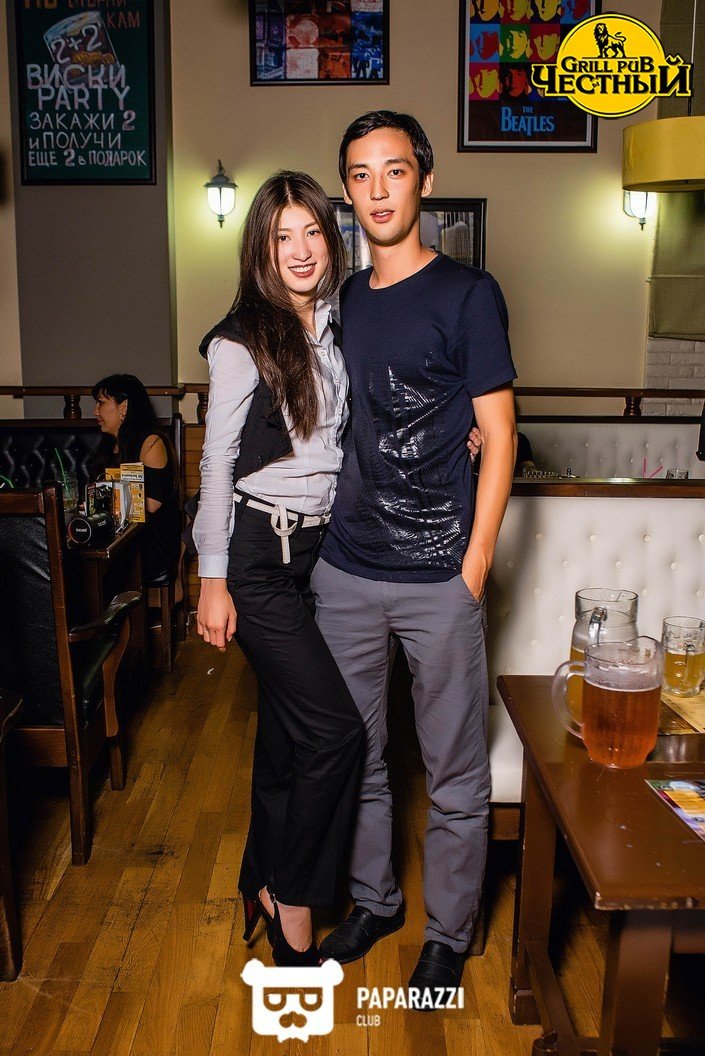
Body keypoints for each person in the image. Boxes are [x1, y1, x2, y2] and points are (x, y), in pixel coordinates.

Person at [310, 111, 517, 1004]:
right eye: (360, 175)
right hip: (346, 569)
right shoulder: (339, 301)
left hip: (439, 575)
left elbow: (500, 435)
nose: (378, 189)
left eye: (394, 170)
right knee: (357, 756)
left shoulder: (469, 294)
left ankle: (448, 933)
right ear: (346, 192)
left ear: (424, 181)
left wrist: (474, 563)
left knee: (454, 772)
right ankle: (375, 901)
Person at [191, 171, 366, 968]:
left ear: (330, 239)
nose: (298, 250)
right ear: (260, 250)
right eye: (280, 236)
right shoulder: (241, 340)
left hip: (316, 552)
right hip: (258, 555)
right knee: (335, 733)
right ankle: (290, 895)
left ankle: (259, 872)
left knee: (290, 737)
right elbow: (216, 462)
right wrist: (212, 580)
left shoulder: (336, 325)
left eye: (311, 232)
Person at [89, 374, 181, 583]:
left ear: (124, 407)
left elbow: (151, 504)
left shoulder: (151, 442)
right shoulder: (108, 446)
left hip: (147, 543)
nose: (95, 411)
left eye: (101, 403)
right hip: (117, 538)